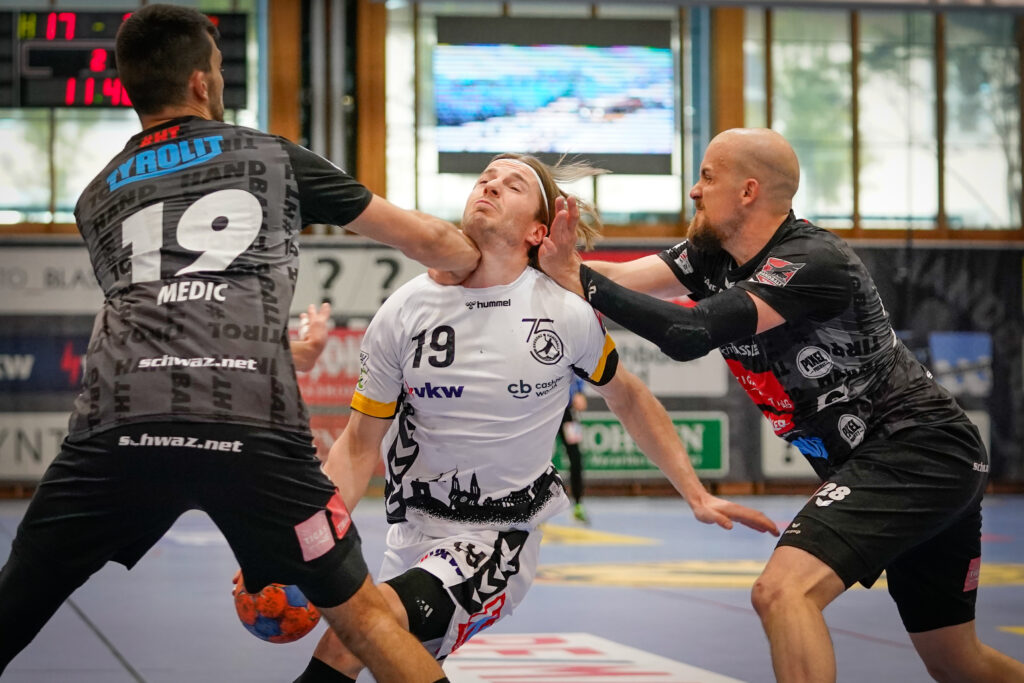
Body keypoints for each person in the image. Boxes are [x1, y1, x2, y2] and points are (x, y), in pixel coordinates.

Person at [0, 5, 480, 682]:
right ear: (202, 82)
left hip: (117, 431)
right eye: (219, 70)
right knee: (366, 619)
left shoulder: (93, 196)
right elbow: (427, 241)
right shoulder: (271, 155)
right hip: (252, 427)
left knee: (11, 607)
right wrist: (489, 259)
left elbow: (167, 322)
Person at [537, 127, 1024, 682]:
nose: (694, 192)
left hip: (916, 450)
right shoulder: (711, 253)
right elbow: (616, 279)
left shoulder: (813, 260)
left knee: (781, 591)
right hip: (910, 462)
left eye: (707, 177)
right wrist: (538, 256)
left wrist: (577, 277)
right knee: (958, 663)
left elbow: (690, 332)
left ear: (748, 191)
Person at [293, 153, 780, 682]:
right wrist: (305, 539)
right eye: (486, 178)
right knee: (400, 665)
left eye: (514, 184)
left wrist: (696, 492)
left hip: (497, 539)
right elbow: (358, 444)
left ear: (537, 230)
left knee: (354, 633)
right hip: (409, 536)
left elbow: (630, 397)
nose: (492, 184)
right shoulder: (404, 310)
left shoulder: (561, 311)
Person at [555, 373, 589, 522]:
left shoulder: (569, 352)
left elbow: (578, 372)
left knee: (576, 457)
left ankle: (578, 505)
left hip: (568, 413)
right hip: (544, 413)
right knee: (536, 458)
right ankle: (532, 509)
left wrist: (580, 393)